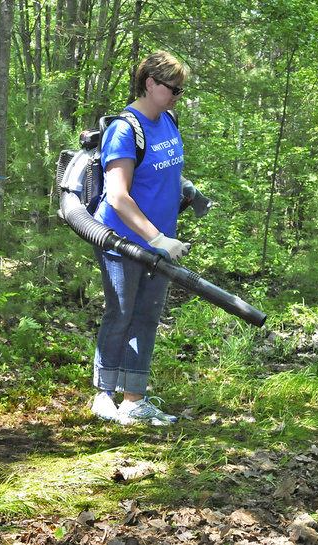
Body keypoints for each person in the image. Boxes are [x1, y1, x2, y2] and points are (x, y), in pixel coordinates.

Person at [89, 50, 209, 426]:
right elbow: (118, 196)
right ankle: (103, 396)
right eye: (173, 89)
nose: (178, 96)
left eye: (181, 91)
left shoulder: (168, 120)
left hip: (160, 241)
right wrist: (157, 237)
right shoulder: (125, 129)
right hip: (123, 240)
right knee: (121, 313)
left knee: (147, 317)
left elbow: (165, 170)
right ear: (151, 84)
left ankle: (134, 401)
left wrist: (187, 188)